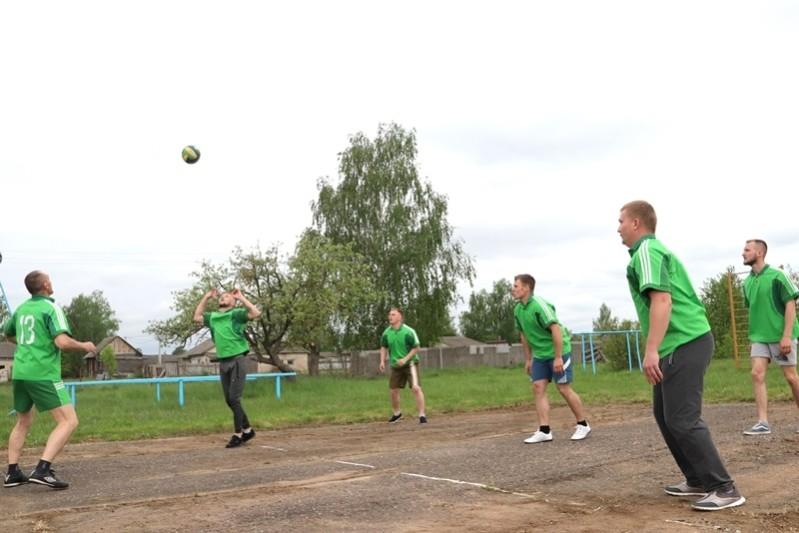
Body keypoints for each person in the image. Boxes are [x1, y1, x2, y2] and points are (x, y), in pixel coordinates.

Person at [618, 200, 745, 511]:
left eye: (621, 221)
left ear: (637, 223)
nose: (617, 228)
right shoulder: (643, 254)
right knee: (665, 415)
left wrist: (650, 350)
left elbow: (662, 299)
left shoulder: (647, 251)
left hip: (685, 341)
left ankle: (723, 487)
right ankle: (697, 479)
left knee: (683, 419)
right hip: (675, 343)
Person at [2, 271, 96, 490]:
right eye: (50, 280)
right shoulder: (50, 308)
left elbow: (8, 334)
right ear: (45, 285)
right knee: (68, 421)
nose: (51, 283)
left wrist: (28, 344)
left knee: (23, 421)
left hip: (21, 373)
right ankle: (42, 470)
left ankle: (13, 472)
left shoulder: (22, 308)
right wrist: (84, 345)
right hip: (42, 373)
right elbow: (62, 342)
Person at [512, 274, 590, 443]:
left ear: (526, 288)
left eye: (516, 286)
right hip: (539, 355)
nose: (513, 289)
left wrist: (558, 357)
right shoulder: (518, 310)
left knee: (563, 388)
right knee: (538, 387)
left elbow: (555, 329)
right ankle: (544, 430)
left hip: (558, 352)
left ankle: (583, 424)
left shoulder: (539, 305)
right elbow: (524, 335)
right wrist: (528, 359)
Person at [740, 239, 799, 435]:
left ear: (759, 253)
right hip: (759, 337)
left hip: (781, 336)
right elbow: (755, 310)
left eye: (747, 250)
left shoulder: (778, 276)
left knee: (791, 378)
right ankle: (763, 422)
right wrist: (753, 338)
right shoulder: (746, 282)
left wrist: (786, 336)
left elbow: (790, 305)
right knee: (757, 374)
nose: (743, 253)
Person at [194, 288, 262, 448]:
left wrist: (241, 297)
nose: (224, 297)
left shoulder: (236, 314)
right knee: (229, 400)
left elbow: (255, 313)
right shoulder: (213, 317)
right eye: (222, 296)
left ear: (233, 302)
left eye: (227, 296)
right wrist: (206, 296)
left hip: (238, 358)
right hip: (223, 362)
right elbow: (196, 316)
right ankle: (248, 429)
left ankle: (238, 434)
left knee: (234, 398)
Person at [379, 307, 427, 424]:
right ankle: (397, 414)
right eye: (390, 315)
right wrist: (382, 361)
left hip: (410, 363)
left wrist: (405, 359)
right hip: (396, 365)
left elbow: (416, 347)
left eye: (393, 314)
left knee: (416, 388)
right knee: (393, 390)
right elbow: (384, 347)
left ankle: (422, 415)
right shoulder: (387, 333)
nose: (390, 317)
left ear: (400, 316)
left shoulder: (409, 331)